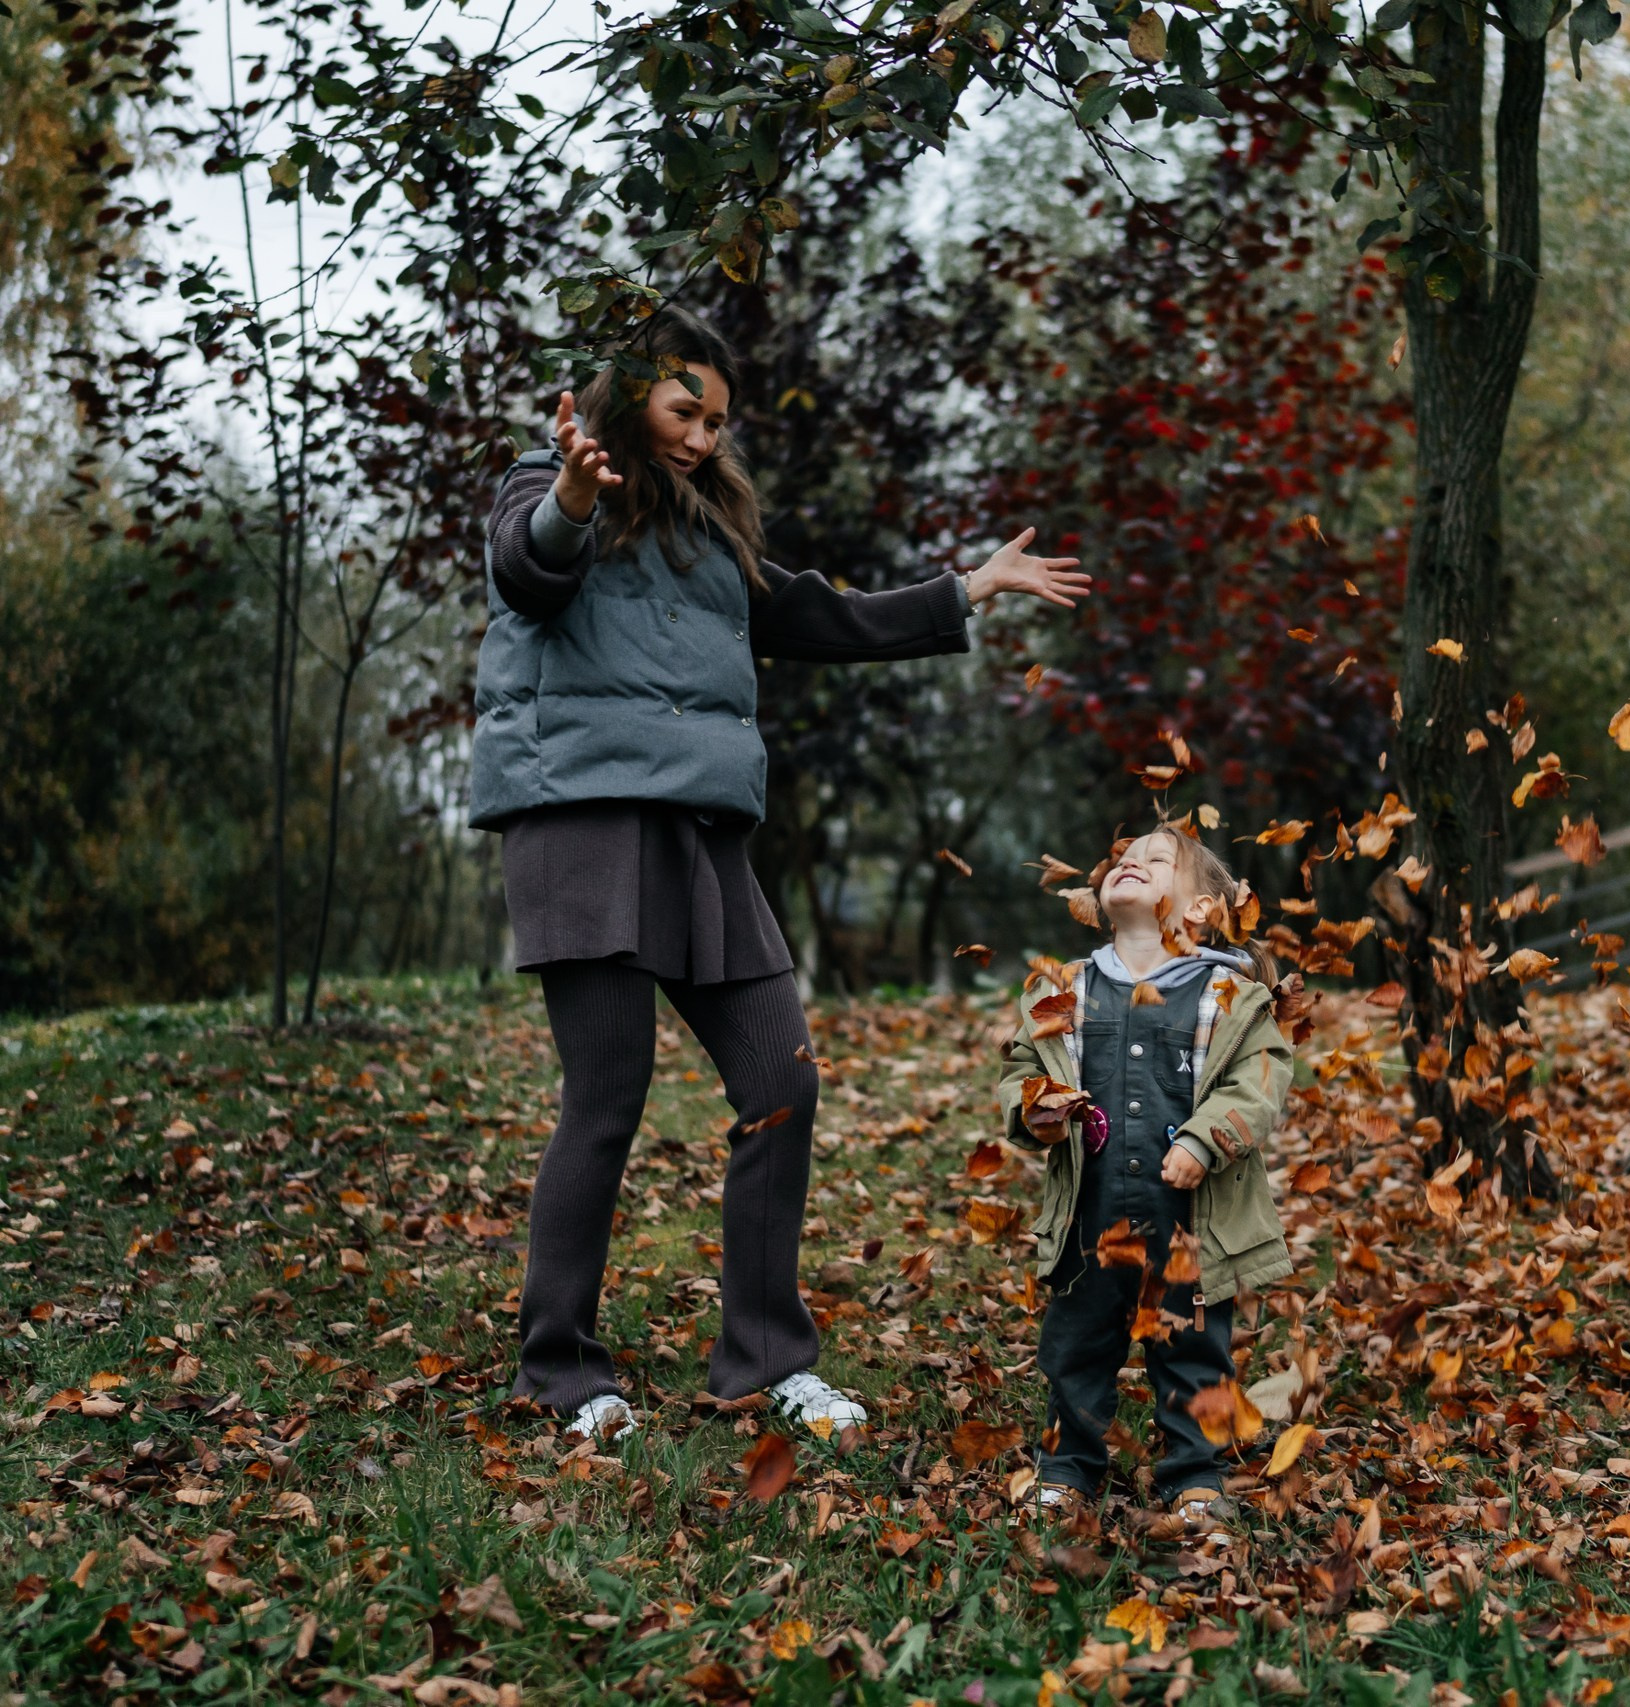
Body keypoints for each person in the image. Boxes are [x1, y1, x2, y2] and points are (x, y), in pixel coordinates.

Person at [471, 306, 1090, 1448]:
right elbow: (529, 575)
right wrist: (571, 493)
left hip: (701, 832)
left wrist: (972, 589)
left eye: (717, 418)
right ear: (623, 398)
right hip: (584, 821)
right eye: (682, 410)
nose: (704, 437)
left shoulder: (713, 535)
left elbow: (822, 614)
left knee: (780, 1080)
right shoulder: (546, 484)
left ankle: (764, 1362)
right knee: (604, 1101)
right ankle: (559, 1371)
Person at [995, 827, 1296, 1533]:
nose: (1130, 861)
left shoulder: (1230, 996)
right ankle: (1068, 1465)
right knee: (1076, 1343)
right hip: (1088, 1214)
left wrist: (1205, 1134)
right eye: (1123, 857)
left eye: (1158, 860)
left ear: (1200, 910)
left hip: (1192, 1220)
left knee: (1193, 1346)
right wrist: (1032, 1107)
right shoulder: (1063, 988)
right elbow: (1021, 1069)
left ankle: (1195, 1473)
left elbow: (1260, 1081)